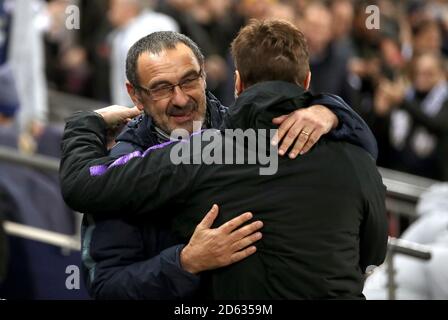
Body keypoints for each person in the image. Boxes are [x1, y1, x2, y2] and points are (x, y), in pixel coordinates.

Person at [60, 20, 387, 299]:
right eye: (161, 88)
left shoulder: (231, 136)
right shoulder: (130, 160)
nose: (180, 98)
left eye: (189, 80)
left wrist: (332, 110)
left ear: (218, 78)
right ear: (135, 95)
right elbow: (105, 286)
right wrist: (184, 263)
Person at [108, 0, 179, 106]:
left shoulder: (159, 23)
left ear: (127, 9)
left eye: (113, 8)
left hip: (152, 100)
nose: (109, 13)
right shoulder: (119, 35)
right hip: (129, 103)